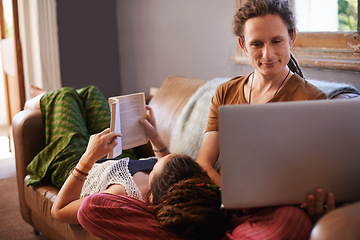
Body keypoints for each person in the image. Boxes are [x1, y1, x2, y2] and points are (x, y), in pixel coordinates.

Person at [25, 85, 231, 239]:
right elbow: (169, 170)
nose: (161, 157)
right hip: (116, 155)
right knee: (91, 93)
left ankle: (34, 100)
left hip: (76, 165)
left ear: (155, 189)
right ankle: (50, 100)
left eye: (159, 163)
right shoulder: (169, 187)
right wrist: (155, 137)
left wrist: (88, 157)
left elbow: (59, 210)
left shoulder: (120, 195)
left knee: (65, 94)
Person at [195, 0, 334, 222]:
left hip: (277, 210)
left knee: (289, 221)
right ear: (243, 45)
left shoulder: (312, 100)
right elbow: (203, 163)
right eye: (257, 44)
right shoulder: (225, 93)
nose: (267, 54)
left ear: (292, 37)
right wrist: (238, 196)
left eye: (276, 41)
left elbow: (313, 179)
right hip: (225, 201)